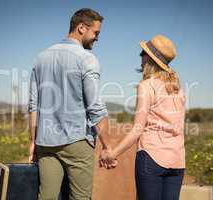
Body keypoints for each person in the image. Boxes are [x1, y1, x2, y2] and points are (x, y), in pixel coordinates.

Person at [28, 8, 116, 200]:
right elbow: (95, 107)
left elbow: (34, 106)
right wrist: (108, 146)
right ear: (82, 28)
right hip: (77, 141)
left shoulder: (40, 58)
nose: (97, 38)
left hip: (46, 143)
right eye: (96, 32)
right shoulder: (86, 59)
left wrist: (33, 142)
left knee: (46, 197)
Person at [100, 35, 186, 200]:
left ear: (149, 59)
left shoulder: (146, 86)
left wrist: (113, 153)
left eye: (143, 52)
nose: (140, 56)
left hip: (151, 157)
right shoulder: (178, 89)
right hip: (177, 160)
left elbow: (137, 129)